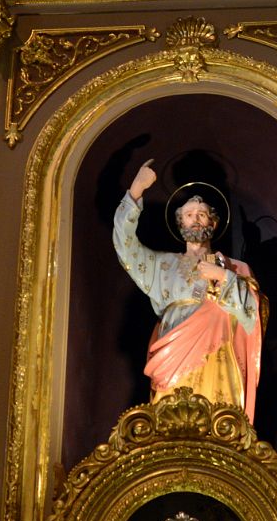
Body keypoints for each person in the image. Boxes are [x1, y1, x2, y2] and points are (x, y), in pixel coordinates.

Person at [113, 160, 263, 422]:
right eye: (189, 214)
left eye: (202, 214)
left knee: (218, 420)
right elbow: (125, 248)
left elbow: (251, 316)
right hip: (172, 359)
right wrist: (136, 190)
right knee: (170, 425)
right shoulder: (161, 265)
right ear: (180, 222)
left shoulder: (235, 267)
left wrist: (224, 277)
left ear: (213, 223)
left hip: (218, 358)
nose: (196, 219)